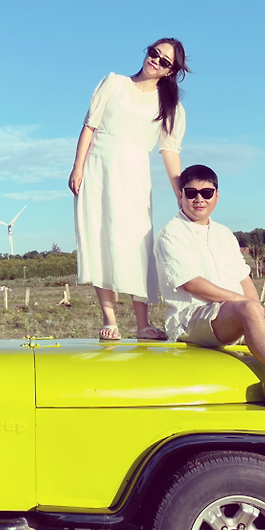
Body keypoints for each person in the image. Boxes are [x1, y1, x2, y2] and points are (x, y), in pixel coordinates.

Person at [154, 164, 265, 413]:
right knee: (249, 309)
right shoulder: (171, 233)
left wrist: (256, 310)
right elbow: (191, 283)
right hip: (193, 317)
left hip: (237, 314)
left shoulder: (224, 234)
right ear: (180, 195)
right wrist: (245, 305)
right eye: (191, 192)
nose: (199, 199)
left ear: (217, 196)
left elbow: (243, 278)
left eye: (206, 193)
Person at [69, 38, 189, 341]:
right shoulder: (114, 82)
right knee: (98, 238)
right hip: (97, 169)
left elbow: (170, 152)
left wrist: (181, 193)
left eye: (164, 61)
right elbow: (90, 126)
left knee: (137, 243)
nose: (156, 61)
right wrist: (78, 167)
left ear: (170, 71)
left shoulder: (170, 107)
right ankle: (109, 318)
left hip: (134, 175)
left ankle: (142, 324)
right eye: (154, 53)